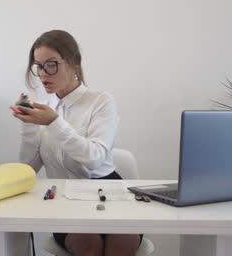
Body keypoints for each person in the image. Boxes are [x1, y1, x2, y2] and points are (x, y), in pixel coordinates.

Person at [10, 30, 141, 256]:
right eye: (38, 66)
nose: (43, 74)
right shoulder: (42, 107)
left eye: (51, 64)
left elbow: (94, 158)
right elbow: (28, 169)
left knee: (121, 242)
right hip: (64, 199)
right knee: (87, 243)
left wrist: (53, 122)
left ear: (74, 63)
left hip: (109, 192)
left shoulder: (100, 101)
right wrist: (28, 126)